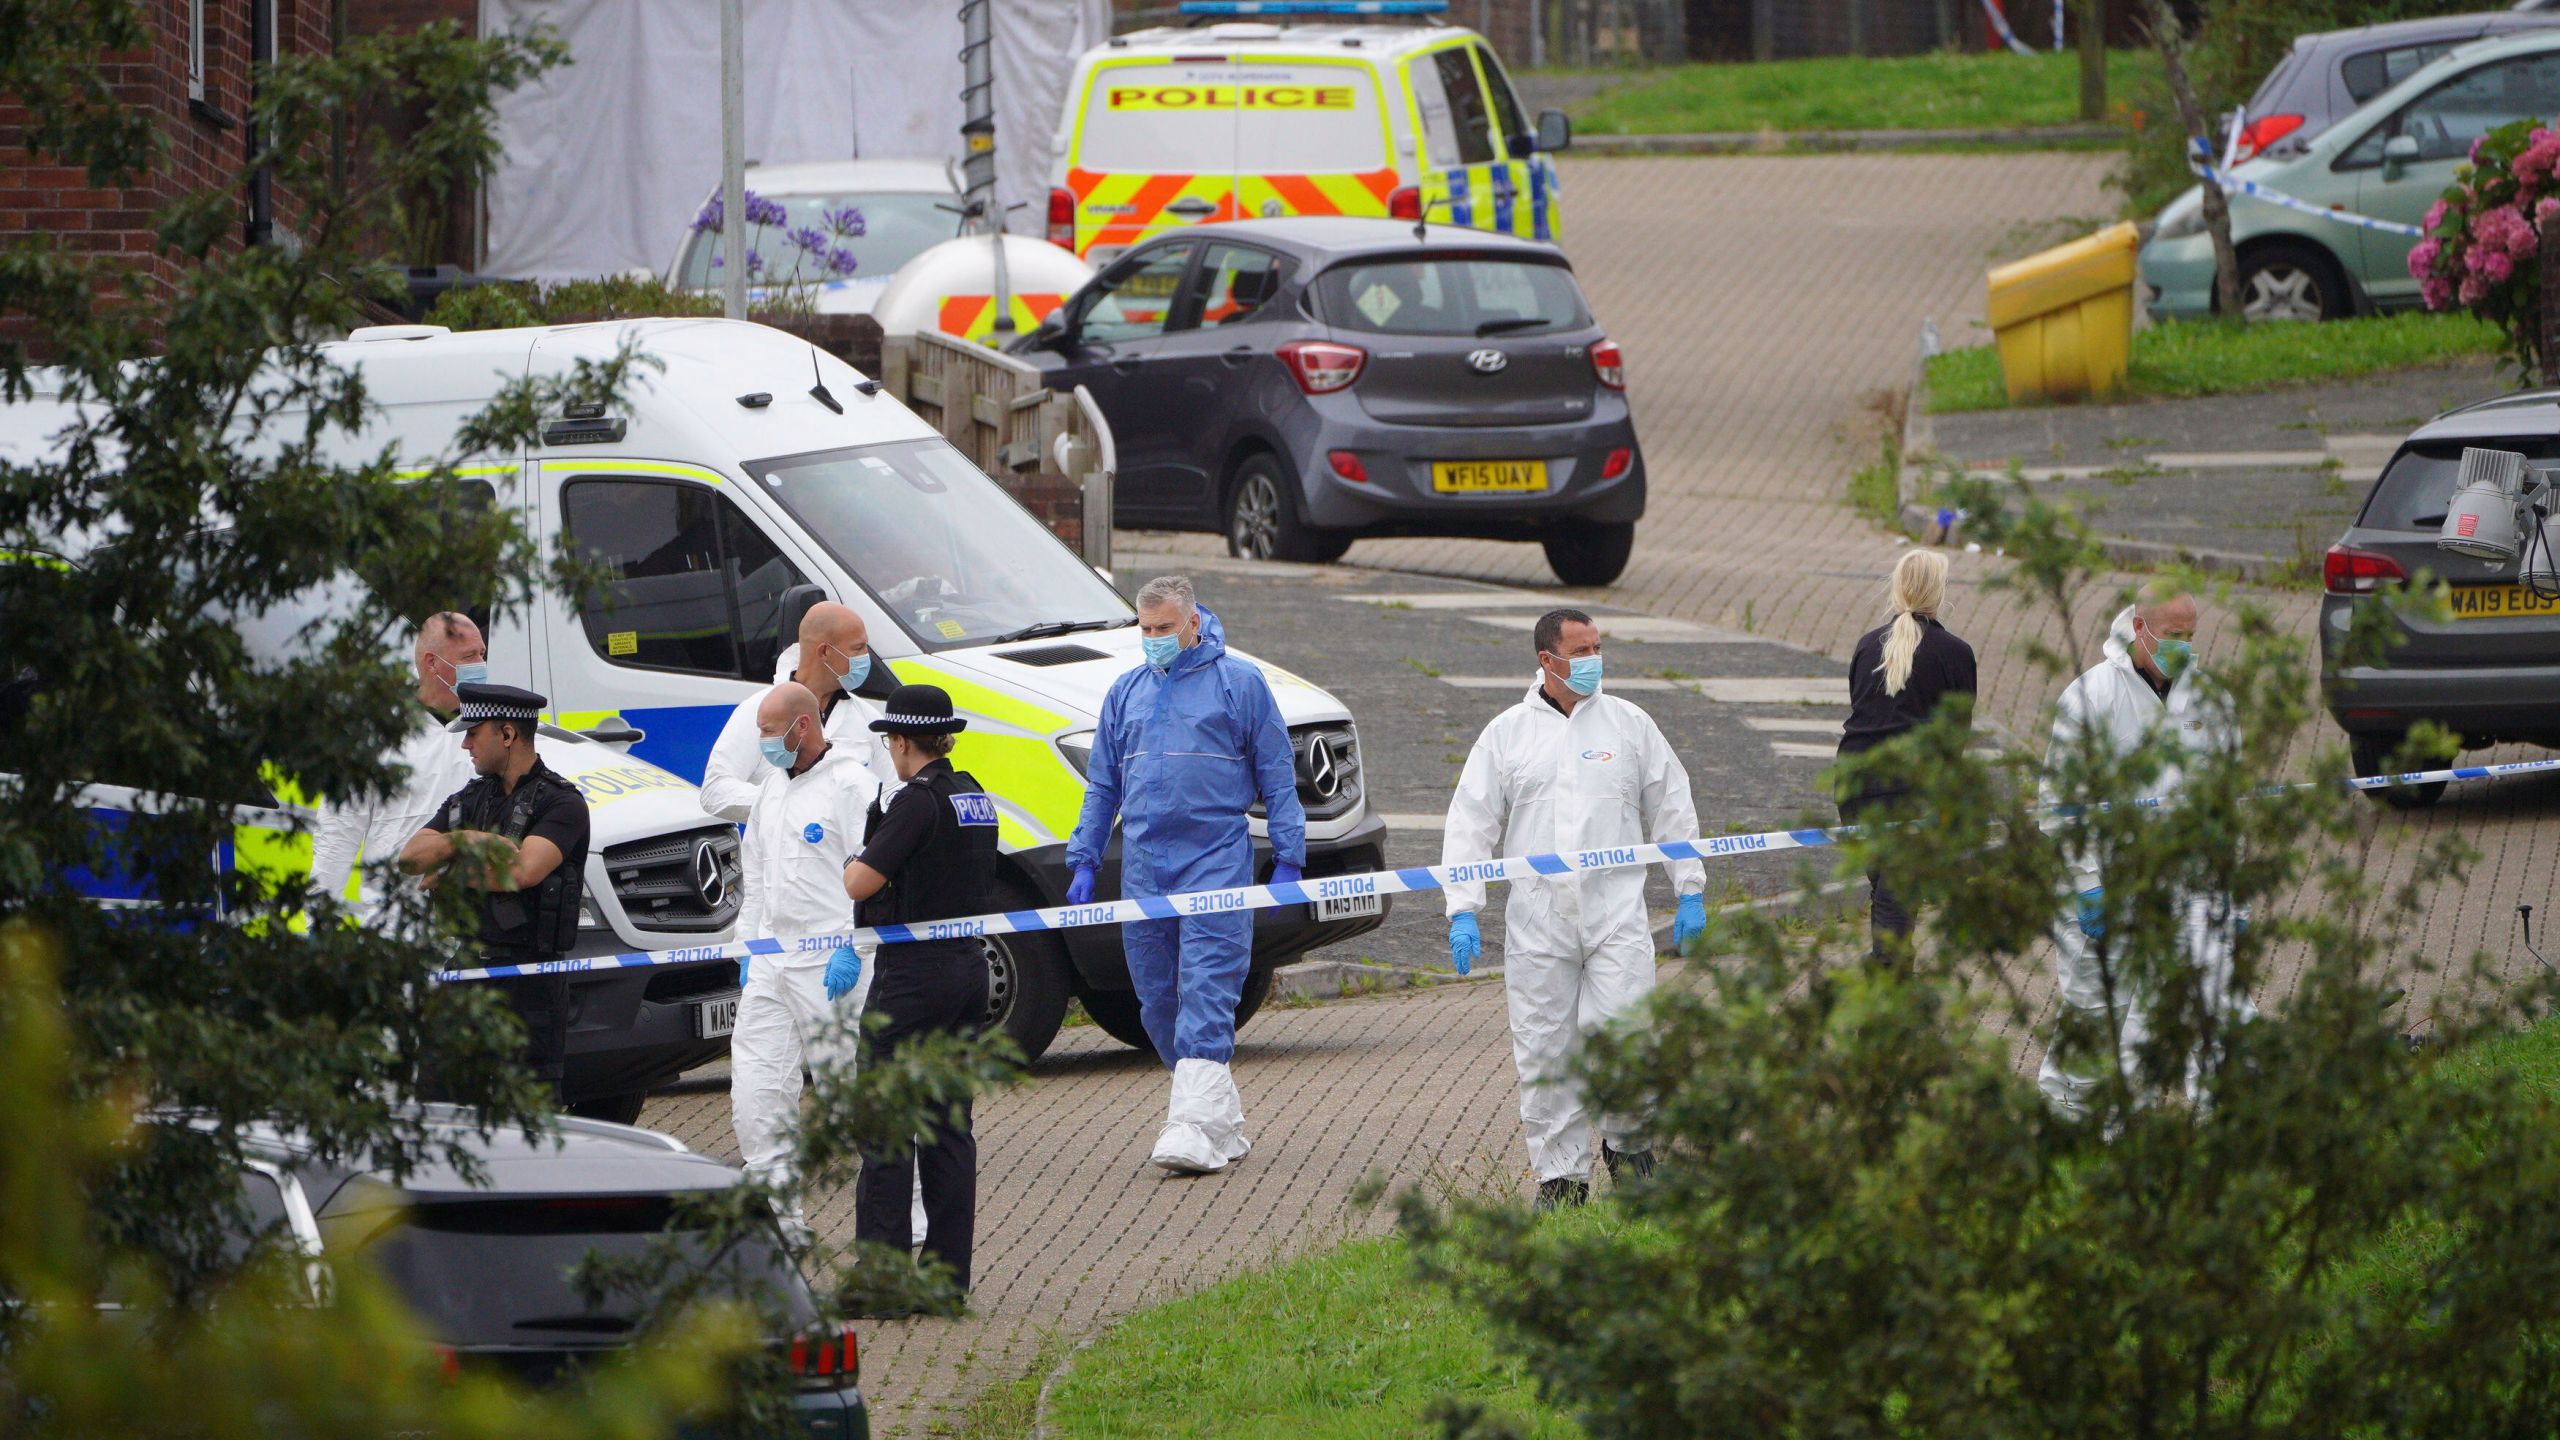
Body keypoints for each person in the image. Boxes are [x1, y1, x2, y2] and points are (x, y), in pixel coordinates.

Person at [1442, 608, 1706, 1211]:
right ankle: (1560, 1180)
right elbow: (1470, 823)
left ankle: (1632, 1154)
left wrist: (1689, 886)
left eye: (1597, 647)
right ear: (1547, 660)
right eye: (1580, 651)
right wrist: (1463, 908)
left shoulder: (1629, 726)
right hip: (1538, 922)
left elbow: (1672, 804)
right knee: (1544, 1048)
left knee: (1624, 1034)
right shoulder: (1507, 734)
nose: (1593, 660)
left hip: (1616, 914)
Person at [1062, 575, 1305, 1176]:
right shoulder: (1126, 693)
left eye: (1164, 629)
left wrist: (1289, 855)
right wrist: (1084, 859)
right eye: (1144, 630)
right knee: (1155, 1001)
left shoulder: (1239, 683)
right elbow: (1102, 784)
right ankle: (1219, 1123)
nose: (1153, 640)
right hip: (1144, 866)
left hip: (1215, 859)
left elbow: (1277, 771)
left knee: (1206, 990)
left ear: (1193, 623)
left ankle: (1191, 1127)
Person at [2037, 584, 2255, 1118]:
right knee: (2097, 1004)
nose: (2184, 647)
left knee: (2213, 993)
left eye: (2191, 637)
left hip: (2191, 879)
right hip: (2109, 879)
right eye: (2174, 636)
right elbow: (2061, 805)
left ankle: (2219, 1118)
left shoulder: (2209, 701)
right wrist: (2088, 885)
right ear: (2140, 629)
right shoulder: (2091, 698)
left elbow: (2230, 801)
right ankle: (2069, 1113)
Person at [842, 684, 995, 1295]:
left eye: (890, 741)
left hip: (912, 976)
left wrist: (866, 841)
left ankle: (881, 1281)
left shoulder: (915, 802)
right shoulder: (973, 794)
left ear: (900, 741)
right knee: (948, 1125)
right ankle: (946, 1278)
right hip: (967, 970)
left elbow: (860, 882)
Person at [729, 681, 876, 1244]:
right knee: (758, 1086)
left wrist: (853, 944)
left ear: (803, 727)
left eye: (769, 732)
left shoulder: (850, 784)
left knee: (849, 1089)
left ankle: (904, 1216)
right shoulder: (769, 790)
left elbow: (873, 873)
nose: (763, 743)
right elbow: (757, 879)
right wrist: (749, 950)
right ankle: (778, 1216)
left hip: (832, 959)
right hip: (772, 959)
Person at [397, 683, 592, 1094]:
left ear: (506, 734)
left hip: (529, 982)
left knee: (526, 1123)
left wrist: (447, 873)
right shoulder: (471, 799)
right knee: (439, 1104)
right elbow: (411, 858)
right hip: (466, 971)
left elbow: (522, 873)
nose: (465, 743)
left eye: (473, 732)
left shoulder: (561, 804)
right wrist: (465, 841)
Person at [1834, 550, 1976, 966]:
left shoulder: (1866, 646)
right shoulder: (1955, 652)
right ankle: (1885, 995)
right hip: (1908, 790)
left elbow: (1864, 712)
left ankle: (1887, 984)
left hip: (1855, 787)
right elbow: (1954, 737)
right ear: (1939, 592)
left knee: (1890, 894)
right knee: (1897, 902)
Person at [310, 613, 486, 928]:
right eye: (469, 657)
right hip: (395, 931)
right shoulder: (376, 738)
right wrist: (319, 926)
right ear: (432, 663)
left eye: (482, 654)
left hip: (474, 928)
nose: (481, 666)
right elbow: (337, 835)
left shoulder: (491, 729)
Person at [701, 602, 895, 824]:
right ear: (824, 652)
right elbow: (715, 791)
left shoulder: (867, 717)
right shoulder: (758, 710)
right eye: (858, 648)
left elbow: (895, 789)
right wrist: (791, 804)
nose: (865, 657)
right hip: (781, 855)